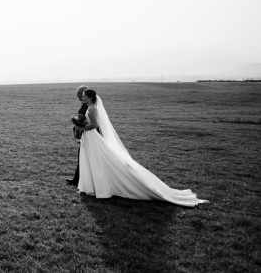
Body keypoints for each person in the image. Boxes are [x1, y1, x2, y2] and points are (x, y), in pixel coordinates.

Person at [73, 89, 208, 207]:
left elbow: (95, 125)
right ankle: (91, 186)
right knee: (91, 160)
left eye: (84, 96)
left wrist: (81, 127)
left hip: (93, 137)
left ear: (90, 97)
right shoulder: (89, 108)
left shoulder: (92, 109)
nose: (82, 98)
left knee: (97, 160)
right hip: (88, 137)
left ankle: (100, 186)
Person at [66, 85, 89, 185]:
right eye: (77, 93)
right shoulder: (85, 105)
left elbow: (94, 123)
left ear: (85, 94)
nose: (77, 95)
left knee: (83, 156)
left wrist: (80, 128)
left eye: (79, 93)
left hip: (90, 135)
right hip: (85, 134)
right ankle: (77, 179)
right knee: (82, 156)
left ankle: (77, 180)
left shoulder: (90, 106)